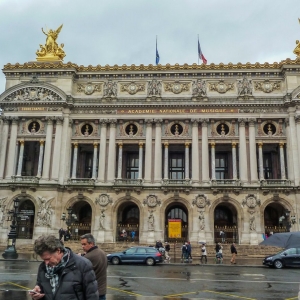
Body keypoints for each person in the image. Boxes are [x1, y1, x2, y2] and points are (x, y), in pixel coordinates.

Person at [29, 235, 99, 300]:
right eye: (44, 259)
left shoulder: (83, 264)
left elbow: (92, 296)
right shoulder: (43, 267)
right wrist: (37, 296)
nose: (46, 263)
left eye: (48, 258)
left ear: (58, 251)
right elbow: (41, 290)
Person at [79, 233, 107, 300]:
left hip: (92, 293)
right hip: (102, 291)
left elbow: (79, 273)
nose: (82, 246)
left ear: (91, 244)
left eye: (84, 244)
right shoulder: (102, 252)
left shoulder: (87, 257)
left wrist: (79, 258)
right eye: (82, 244)